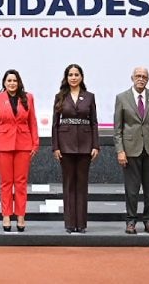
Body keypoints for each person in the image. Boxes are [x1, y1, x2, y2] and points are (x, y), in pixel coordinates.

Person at [113, 66, 149, 234]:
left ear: (148, 79)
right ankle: (131, 222)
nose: (141, 78)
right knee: (132, 189)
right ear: (132, 78)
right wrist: (120, 150)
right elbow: (118, 128)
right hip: (130, 150)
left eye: (144, 76)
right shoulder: (122, 98)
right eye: (138, 76)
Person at [0, 69, 38, 232]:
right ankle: (7, 215)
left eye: (14, 80)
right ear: (4, 82)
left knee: (21, 183)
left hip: (24, 144)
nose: (12, 83)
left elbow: (33, 122)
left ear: (19, 82)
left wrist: (35, 143)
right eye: (9, 80)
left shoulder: (28, 97)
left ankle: (21, 216)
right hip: (3, 144)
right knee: (6, 182)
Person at [51, 63, 100, 233]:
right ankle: (70, 223)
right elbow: (55, 124)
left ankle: (82, 224)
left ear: (81, 77)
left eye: (76, 74)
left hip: (85, 145)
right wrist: (55, 147)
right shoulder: (60, 96)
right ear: (66, 77)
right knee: (69, 184)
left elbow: (94, 122)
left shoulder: (89, 96)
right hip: (65, 145)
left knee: (82, 185)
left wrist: (95, 145)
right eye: (70, 74)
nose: (73, 77)